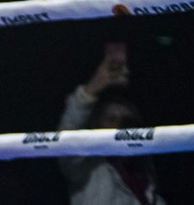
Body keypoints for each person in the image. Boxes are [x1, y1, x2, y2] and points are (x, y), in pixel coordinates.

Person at [59, 43, 167, 204]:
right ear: (97, 126)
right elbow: (67, 142)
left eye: (128, 120)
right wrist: (92, 89)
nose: (121, 125)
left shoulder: (150, 189)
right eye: (111, 119)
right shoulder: (88, 170)